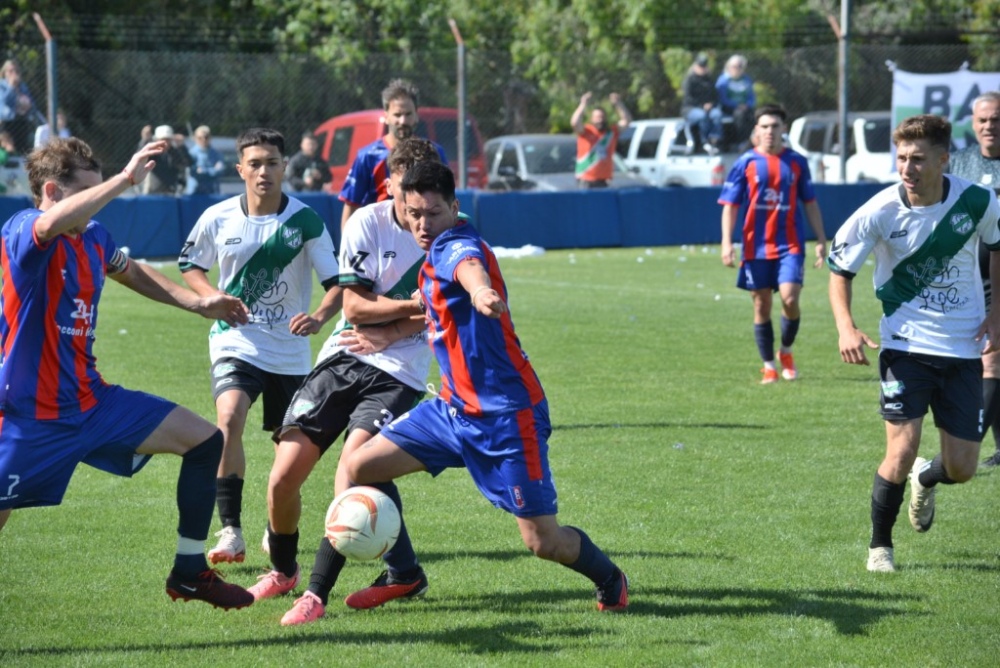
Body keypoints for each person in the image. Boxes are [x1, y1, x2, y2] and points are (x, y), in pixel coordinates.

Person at [339, 160, 629, 613]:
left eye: (433, 213)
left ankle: (609, 577)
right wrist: (394, 334)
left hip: (508, 417)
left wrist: (480, 292)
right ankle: (405, 573)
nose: (422, 224)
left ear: (455, 208)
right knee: (359, 467)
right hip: (452, 410)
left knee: (543, 540)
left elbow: (467, 268)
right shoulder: (431, 252)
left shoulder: (457, 244)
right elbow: (438, 313)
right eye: (413, 213)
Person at [0, 137, 255, 610]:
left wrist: (197, 302)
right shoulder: (23, 231)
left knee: (204, 441)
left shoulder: (93, 236)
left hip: (94, 404)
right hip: (27, 418)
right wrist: (124, 179)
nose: (102, 204)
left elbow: (129, 270)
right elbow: (49, 224)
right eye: (90, 193)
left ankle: (189, 571)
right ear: (53, 191)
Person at [252, 138, 442, 624]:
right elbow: (354, 307)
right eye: (402, 193)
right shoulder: (366, 222)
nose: (411, 207)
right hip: (342, 356)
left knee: (352, 472)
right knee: (282, 478)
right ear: (390, 185)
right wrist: (414, 308)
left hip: (398, 374)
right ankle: (284, 572)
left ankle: (315, 595)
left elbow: (449, 307)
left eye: (420, 197)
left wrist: (397, 329)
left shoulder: (446, 233)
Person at [828, 113, 1000, 573]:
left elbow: (997, 247)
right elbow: (839, 270)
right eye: (901, 157)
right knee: (899, 450)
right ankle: (879, 547)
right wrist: (846, 326)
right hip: (904, 347)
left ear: (944, 160)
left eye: (918, 159)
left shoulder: (977, 202)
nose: (907, 167)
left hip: (963, 349)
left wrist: (996, 315)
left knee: (962, 467)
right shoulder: (879, 210)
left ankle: (929, 476)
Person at [178, 127, 343, 566]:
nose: (263, 171)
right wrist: (210, 297)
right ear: (240, 170)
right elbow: (191, 265)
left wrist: (320, 317)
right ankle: (230, 529)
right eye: (254, 163)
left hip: (290, 351)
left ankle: (277, 529)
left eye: (271, 162)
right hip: (236, 340)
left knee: (285, 452)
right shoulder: (217, 217)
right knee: (228, 419)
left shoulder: (305, 220)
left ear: (285, 166)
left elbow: (337, 285)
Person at [719, 104, 827, 384]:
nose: (769, 131)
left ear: (784, 129)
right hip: (755, 247)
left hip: (789, 244)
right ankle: (768, 366)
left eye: (774, 126)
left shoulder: (796, 162)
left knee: (790, 299)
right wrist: (726, 243)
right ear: (757, 130)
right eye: (764, 126)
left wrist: (820, 239)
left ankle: (786, 352)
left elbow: (810, 203)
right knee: (761, 305)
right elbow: (730, 206)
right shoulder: (745, 163)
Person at [947, 91, 1000, 468]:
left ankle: (967, 444)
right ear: (973, 122)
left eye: (996, 119)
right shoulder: (961, 164)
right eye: (982, 120)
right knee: (989, 357)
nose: (989, 126)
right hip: (971, 277)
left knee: (992, 360)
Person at [338, 78, 448, 230]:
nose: (402, 121)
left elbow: (446, 202)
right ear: (386, 116)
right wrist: (346, 250)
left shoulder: (433, 153)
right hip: (380, 241)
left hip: (423, 235)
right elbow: (351, 206)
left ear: (416, 115)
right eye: (397, 114)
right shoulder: (367, 156)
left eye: (408, 114)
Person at [571, 91, 631, 188]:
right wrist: (583, 104)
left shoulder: (611, 132)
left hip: (603, 181)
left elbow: (627, 121)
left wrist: (618, 104)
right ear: (592, 119)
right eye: (597, 117)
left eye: (602, 117)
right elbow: (574, 123)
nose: (600, 120)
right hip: (586, 181)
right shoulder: (586, 131)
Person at [681, 53, 723, 154]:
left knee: (717, 114)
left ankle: (715, 140)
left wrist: (711, 104)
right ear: (695, 66)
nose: (702, 69)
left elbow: (715, 96)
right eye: (700, 66)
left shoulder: (709, 80)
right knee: (701, 116)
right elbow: (688, 98)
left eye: (704, 66)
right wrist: (702, 106)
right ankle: (704, 142)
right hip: (690, 109)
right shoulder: (689, 80)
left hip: (709, 108)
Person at [0, 59, 44, 154]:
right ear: (4, 73)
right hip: (6, 120)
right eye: (10, 71)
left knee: (24, 145)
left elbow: (32, 103)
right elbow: (3, 102)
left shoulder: (22, 86)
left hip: (21, 120)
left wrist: (28, 105)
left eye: (16, 71)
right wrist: (11, 86)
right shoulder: (1, 85)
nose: (14, 73)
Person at [716, 55, 756, 149]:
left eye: (740, 66)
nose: (737, 69)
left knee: (755, 116)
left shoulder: (746, 80)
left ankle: (753, 141)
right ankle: (742, 142)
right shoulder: (723, 81)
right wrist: (737, 105)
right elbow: (722, 99)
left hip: (745, 108)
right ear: (729, 67)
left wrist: (748, 104)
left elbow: (751, 97)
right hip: (729, 108)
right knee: (740, 115)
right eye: (734, 66)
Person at [138, 124, 190, 195]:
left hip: (171, 192)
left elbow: (188, 163)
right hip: (152, 191)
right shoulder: (153, 153)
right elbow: (140, 157)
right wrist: (144, 140)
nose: (165, 142)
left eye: (168, 139)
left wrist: (182, 146)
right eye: (162, 139)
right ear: (156, 140)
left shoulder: (175, 152)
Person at [187, 125, 225, 195]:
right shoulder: (191, 154)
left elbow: (220, 170)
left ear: (210, 138)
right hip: (195, 192)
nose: (203, 140)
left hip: (212, 191)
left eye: (206, 137)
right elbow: (194, 172)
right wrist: (213, 170)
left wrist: (203, 170)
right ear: (195, 138)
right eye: (200, 138)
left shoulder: (216, 153)